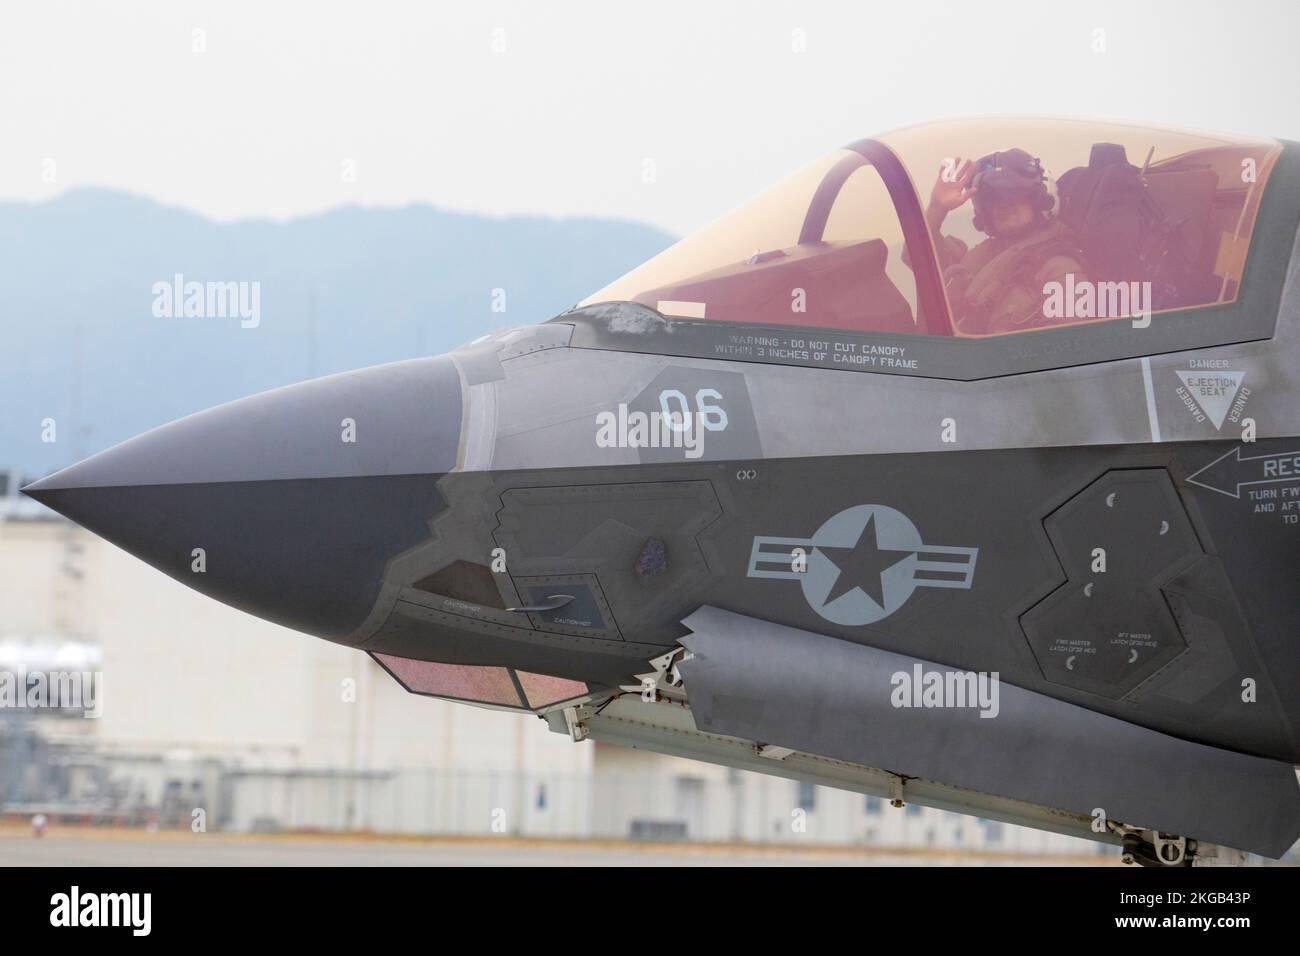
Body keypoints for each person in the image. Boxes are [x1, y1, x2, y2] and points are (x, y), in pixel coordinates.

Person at [923, 149, 1087, 334]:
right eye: (992, 198)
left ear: (1040, 199)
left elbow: (1066, 348)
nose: (1002, 204)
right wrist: (937, 209)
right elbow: (920, 260)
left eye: (1013, 193)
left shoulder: (1061, 271)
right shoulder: (978, 258)